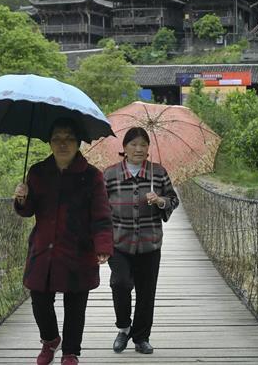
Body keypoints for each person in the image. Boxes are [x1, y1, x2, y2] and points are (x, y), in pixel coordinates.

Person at [13, 118, 113, 365]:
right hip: (43, 250)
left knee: (75, 304)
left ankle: (70, 352)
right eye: (57, 138)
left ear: (78, 142)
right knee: (39, 299)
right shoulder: (37, 172)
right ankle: (50, 340)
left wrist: (102, 246)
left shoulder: (92, 177)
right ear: (49, 142)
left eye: (69, 138)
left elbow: (101, 216)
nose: (63, 143)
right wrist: (22, 199)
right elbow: (28, 211)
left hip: (79, 251)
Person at [103, 127, 179, 355]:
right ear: (124, 148)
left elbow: (173, 200)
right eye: (133, 144)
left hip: (149, 244)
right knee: (120, 283)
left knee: (147, 293)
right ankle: (124, 328)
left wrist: (160, 201)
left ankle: (141, 337)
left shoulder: (158, 173)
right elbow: (99, 207)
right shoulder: (110, 175)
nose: (138, 148)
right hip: (119, 243)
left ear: (148, 149)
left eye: (143, 145)